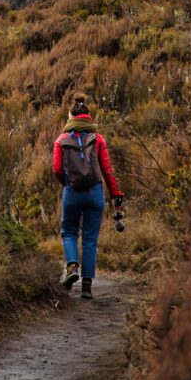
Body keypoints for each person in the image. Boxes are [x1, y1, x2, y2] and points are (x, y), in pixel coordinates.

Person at [53, 94, 124, 298]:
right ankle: (87, 287)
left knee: (68, 232)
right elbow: (107, 170)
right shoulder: (98, 138)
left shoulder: (61, 140)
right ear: (88, 117)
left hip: (72, 192)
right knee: (90, 239)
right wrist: (115, 195)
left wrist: (67, 184)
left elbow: (57, 169)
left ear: (71, 117)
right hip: (95, 193)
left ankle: (73, 267)